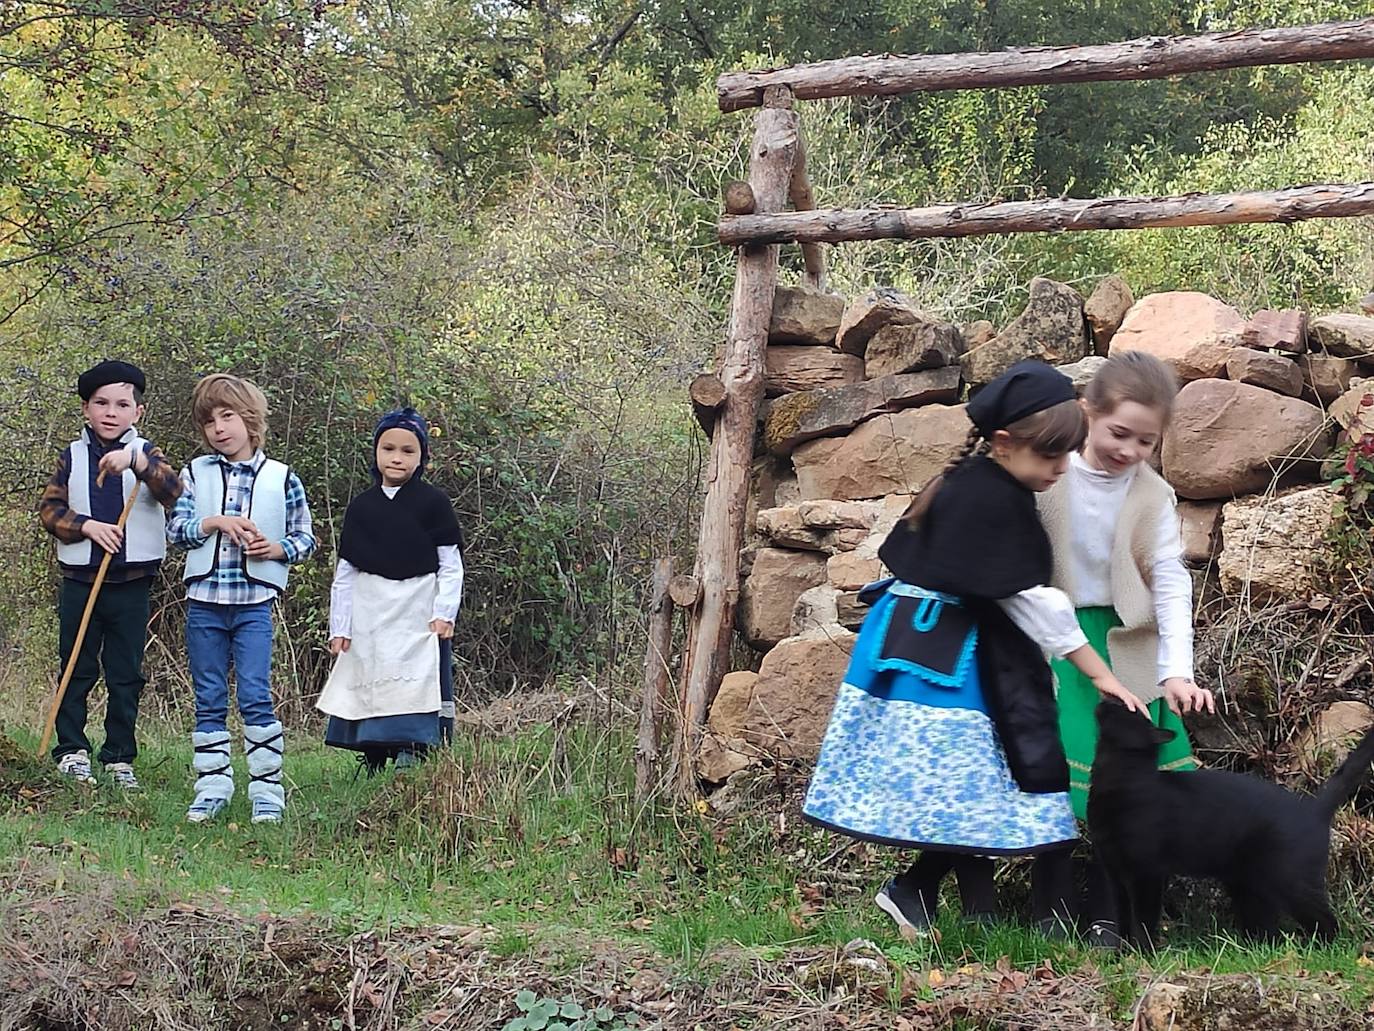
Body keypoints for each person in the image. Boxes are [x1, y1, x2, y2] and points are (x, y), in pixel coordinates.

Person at [802, 360, 1145, 937]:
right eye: (1050, 457)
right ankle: (920, 890)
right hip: (937, 660)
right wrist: (1101, 674)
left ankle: (921, 893)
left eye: (1068, 456)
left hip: (929, 643)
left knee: (978, 780)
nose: (1061, 470)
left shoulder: (977, 481)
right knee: (986, 773)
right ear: (1005, 443)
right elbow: (1036, 605)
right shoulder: (990, 499)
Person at [1035, 349, 1215, 946]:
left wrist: (1176, 670)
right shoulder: (1049, 474)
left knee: (1129, 790)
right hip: (1055, 639)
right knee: (1055, 774)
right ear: (1088, 413)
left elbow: (1169, 578)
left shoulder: (1151, 496)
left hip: (1124, 643)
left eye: (1146, 441)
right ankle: (1051, 905)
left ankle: (1111, 911)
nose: (1130, 451)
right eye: (1119, 433)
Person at [166, 373, 316, 824]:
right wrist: (213, 523)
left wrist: (276, 550)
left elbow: (305, 537)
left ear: (249, 419)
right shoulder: (194, 473)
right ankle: (212, 785)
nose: (218, 428)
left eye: (227, 416)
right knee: (209, 694)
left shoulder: (281, 477)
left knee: (255, 693)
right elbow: (177, 530)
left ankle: (267, 788)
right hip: (204, 601)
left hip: (253, 604)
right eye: (209, 421)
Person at [38, 360, 182, 788]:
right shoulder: (73, 455)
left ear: (138, 411)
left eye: (122, 404)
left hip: (132, 582)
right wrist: (85, 525)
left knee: (126, 672)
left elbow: (172, 490)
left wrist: (137, 463)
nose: (111, 412)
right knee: (76, 665)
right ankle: (71, 750)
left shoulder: (147, 453)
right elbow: (50, 511)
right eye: (101, 403)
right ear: (86, 409)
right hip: (81, 581)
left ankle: (119, 756)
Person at [316, 408, 464, 773]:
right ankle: (373, 750)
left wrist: (445, 612)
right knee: (369, 674)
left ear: (422, 457)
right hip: (370, 609)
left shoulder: (434, 504)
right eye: (389, 448)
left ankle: (412, 747)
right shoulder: (361, 508)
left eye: (408, 450)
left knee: (416, 675)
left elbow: (450, 563)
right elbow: (346, 573)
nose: (397, 457)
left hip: (417, 607)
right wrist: (340, 627)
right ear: (376, 452)